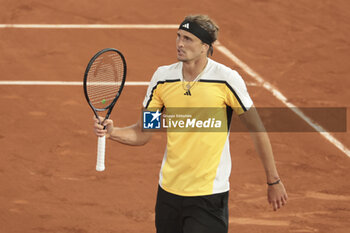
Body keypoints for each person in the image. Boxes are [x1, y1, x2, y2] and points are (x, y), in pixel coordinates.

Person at [93, 14, 288, 233]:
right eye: (178, 36)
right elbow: (143, 132)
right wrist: (112, 132)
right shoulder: (163, 79)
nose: (179, 43)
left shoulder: (225, 80)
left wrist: (273, 181)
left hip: (208, 195)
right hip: (169, 193)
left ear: (205, 46)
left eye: (187, 38)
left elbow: (256, 128)